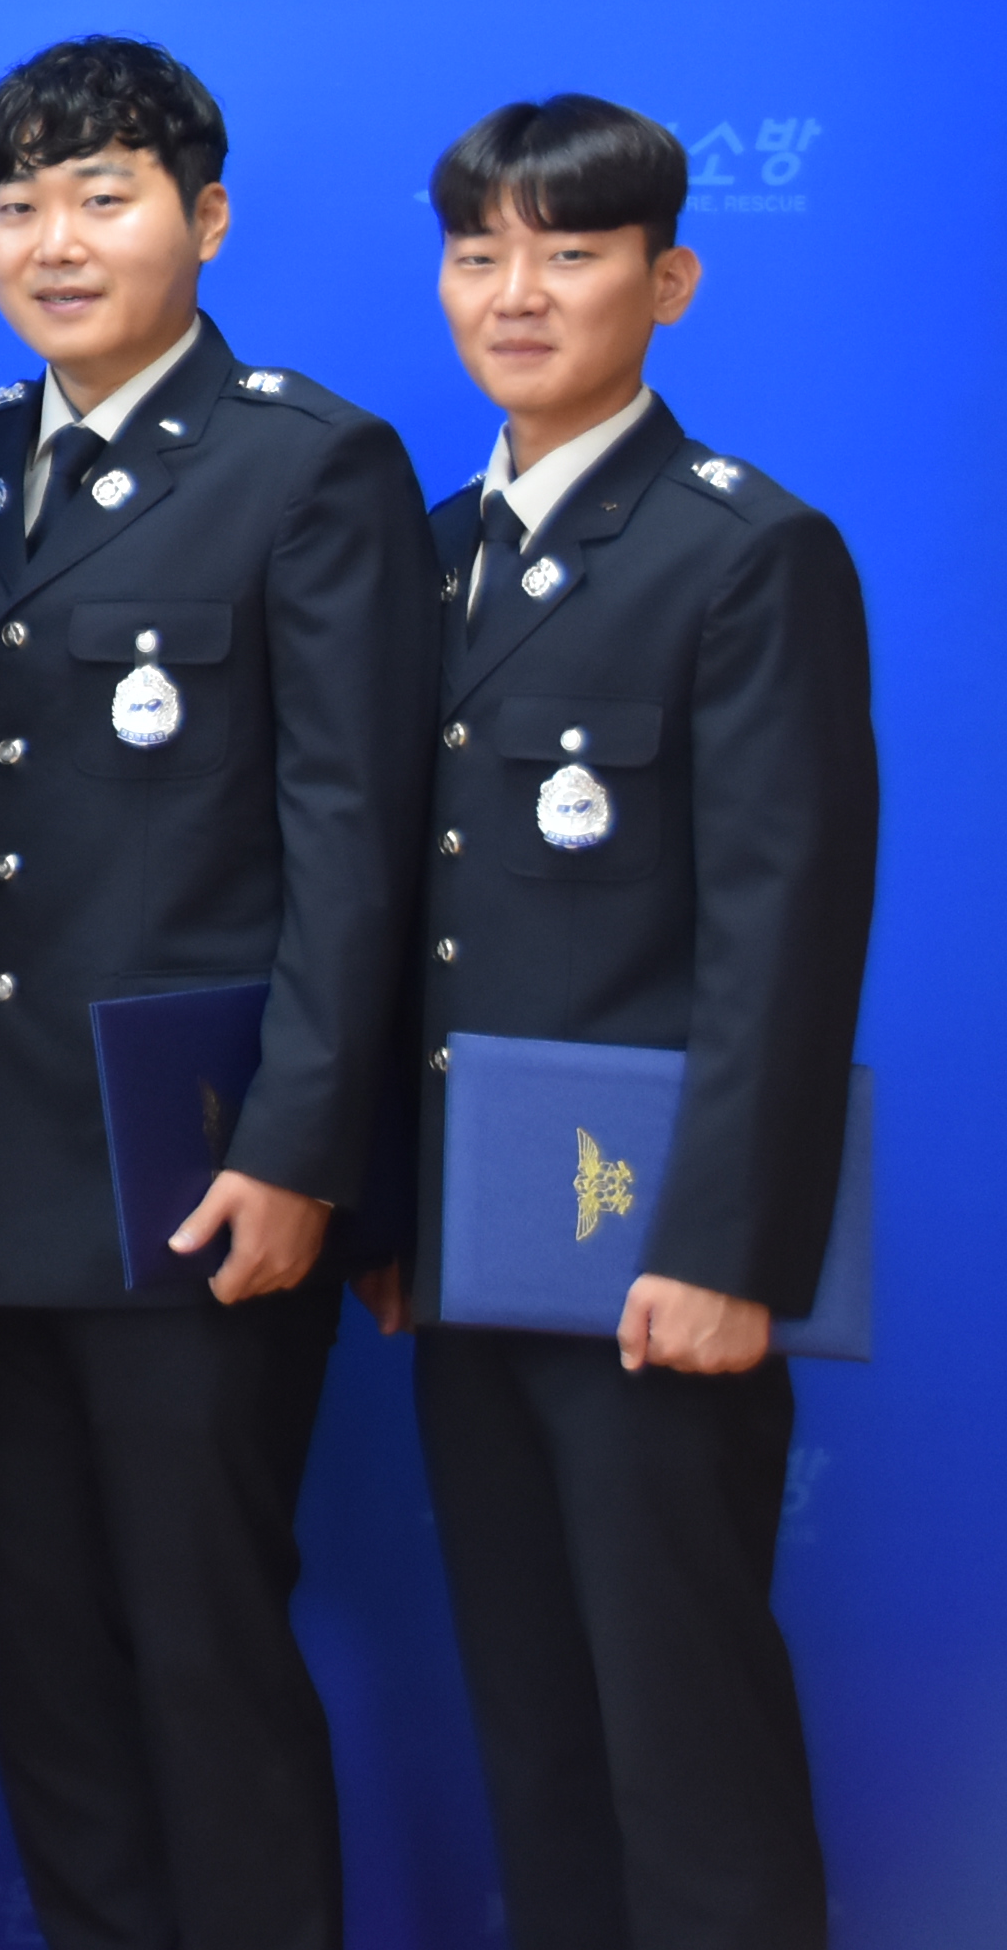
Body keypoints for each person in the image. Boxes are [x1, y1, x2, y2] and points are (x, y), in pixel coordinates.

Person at [0, 38, 438, 1950]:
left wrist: (304, 1153)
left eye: (102, 198)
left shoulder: (312, 464)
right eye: (17, 205)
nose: (55, 242)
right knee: (42, 1669)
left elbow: (355, 842)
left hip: (199, 1179)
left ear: (204, 221)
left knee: (207, 1655)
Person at [385, 96, 870, 1950]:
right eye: (479, 254)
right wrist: (398, 1211)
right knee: (540, 1732)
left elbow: (783, 934)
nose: (516, 294)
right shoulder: (429, 551)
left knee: (687, 1737)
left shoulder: (744, 551)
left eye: (571, 254)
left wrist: (728, 1251)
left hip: (656, 1262)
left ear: (667, 282)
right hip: (472, 1260)